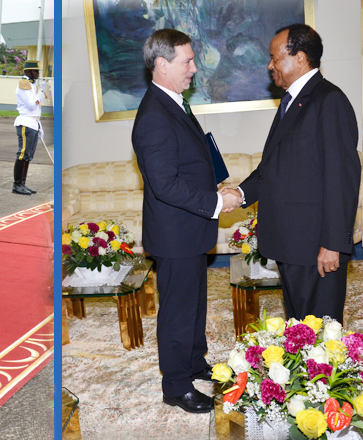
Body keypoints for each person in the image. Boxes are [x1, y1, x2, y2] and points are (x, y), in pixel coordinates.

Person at [131, 29, 241, 414]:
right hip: (176, 232)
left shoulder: (174, 102)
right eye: (187, 61)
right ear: (162, 65)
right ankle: (175, 384)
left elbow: (187, 162)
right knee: (177, 310)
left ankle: (195, 362)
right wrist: (214, 202)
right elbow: (165, 185)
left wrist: (212, 182)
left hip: (189, 229)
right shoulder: (154, 116)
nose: (195, 68)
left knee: (193, 304)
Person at [222, 24, 360, 323]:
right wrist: (240, 194)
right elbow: (273, 166)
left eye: (274, 57)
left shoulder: (328, 101)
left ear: (299, 58)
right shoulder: (292, 101)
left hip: (316, 245)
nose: (270, 65)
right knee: (300, 326)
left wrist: (334, 243)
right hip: (294, 243)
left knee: (322, 333)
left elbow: (342, 178)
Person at [12, 60, 49, 195]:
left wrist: (39, 126)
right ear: (28, 72)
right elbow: (31, 105)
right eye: (36, 71)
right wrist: (42, 92)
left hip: (33, 123)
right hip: (26, 122)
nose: (38, 73)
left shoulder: (32, 85)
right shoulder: (24, 84)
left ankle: (22, 184)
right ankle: (17, 185)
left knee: (28, 155)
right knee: (22, 154)